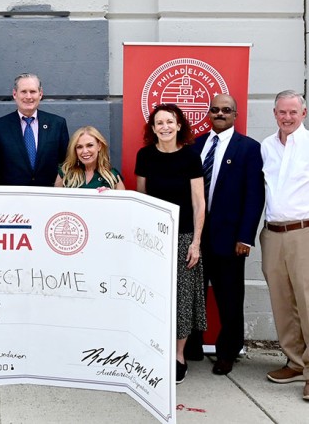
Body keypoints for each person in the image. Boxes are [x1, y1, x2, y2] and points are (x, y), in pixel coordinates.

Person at [183, 94, 264, 375]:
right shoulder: (195, 145)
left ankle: (228, 352)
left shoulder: (249, 148)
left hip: (229, 239)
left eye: (226, 110)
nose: (220, 114)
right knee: (193, 295)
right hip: (194, 236)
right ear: (208, 113)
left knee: (229, 298)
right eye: (215, 110)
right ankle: (191, 347)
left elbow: (254, 196)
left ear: (235, 114)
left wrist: (245, 237)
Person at [135, 103, 207, 384]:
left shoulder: (190, 157)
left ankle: (178, 356)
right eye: (159, 123)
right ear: (152, 129)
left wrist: (196, 242)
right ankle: (154, 350)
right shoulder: (145, 156)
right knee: (153, 296)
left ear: (179, 126)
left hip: (184, 237)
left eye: (170, 122)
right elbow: (141, 196)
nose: (164, 127)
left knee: (182, 298)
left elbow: (199, 202)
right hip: (154, 238)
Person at [260, 90, 309, 400]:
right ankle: (294, 361)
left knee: (307, 301)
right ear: (275, 113)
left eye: (293, 112)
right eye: (282, 112)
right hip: (272, 233)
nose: (288, 117)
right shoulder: (266, 146)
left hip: (303, 232)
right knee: (281, 301)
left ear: (303, 114)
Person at [0, 73, 69, 186]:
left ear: (40, 94)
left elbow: (66, 163)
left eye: (33, 91)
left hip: (48, 196)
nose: (28, 96)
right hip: (11, 198)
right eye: (23, 91)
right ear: (15, 94)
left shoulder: (57, 124)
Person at [54, 126, 124, 190]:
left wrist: (108, 195)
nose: (85, 151)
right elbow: (55, 201)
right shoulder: (65, 172)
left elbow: (123, 203)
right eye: (79, 147)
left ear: (99, 146)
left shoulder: (112, 176)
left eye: (89, 145)